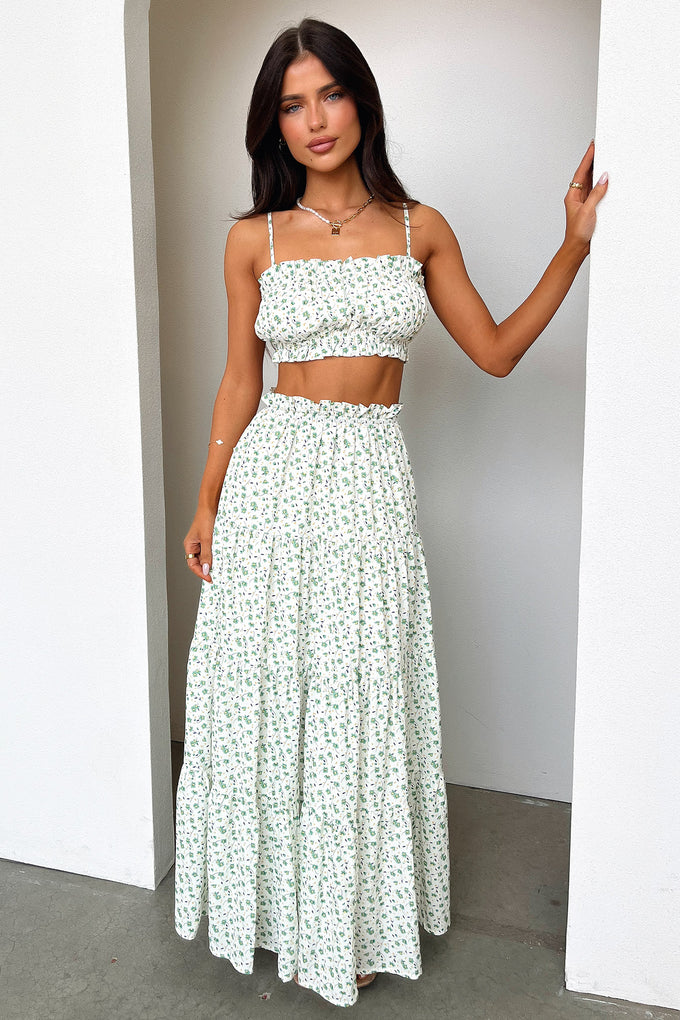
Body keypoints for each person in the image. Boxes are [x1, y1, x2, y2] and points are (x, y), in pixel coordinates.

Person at [173, 17, 608, 1009]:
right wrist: (207, 500)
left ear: (360, 101)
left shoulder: (420, 229)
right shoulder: (252, 239)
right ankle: (280, 910)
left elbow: (495, 352)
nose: (315, 119)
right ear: (274, 125)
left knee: (357, 698)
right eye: (292, 105)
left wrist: (572, 246)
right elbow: (238, 382)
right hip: (272, 481)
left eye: (329, 94)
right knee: (269, 696)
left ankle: (349, 918)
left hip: (369, 477)